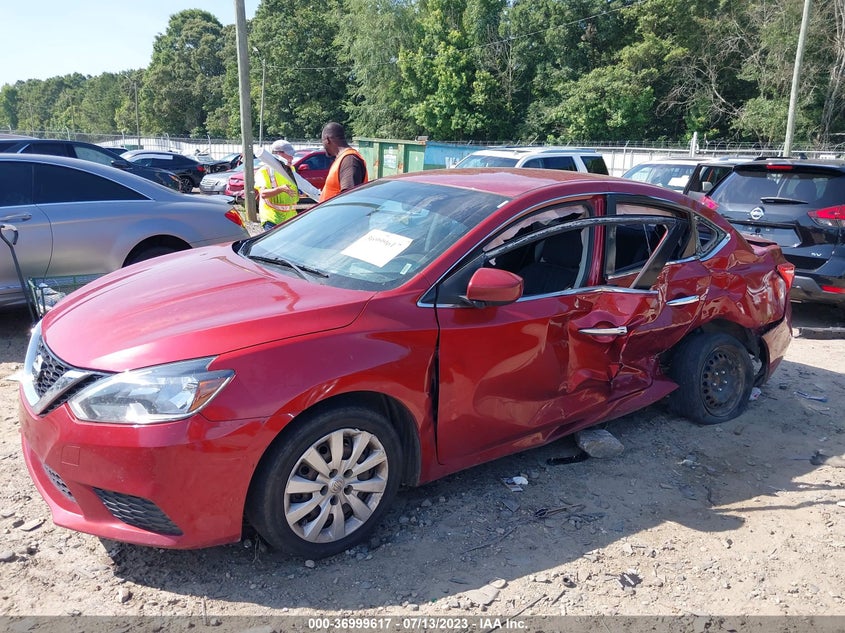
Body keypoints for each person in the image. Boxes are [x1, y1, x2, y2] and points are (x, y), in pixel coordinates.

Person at [254, 139, 300, 230]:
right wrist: (280, 189)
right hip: (272, 220)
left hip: (290, 218)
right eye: (289, 155)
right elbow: (263, 194)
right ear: (278, 154)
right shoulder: (264, 171)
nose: (292, 158)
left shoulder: (291, 169)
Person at [319, 122, 368, 202]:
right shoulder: (342, 158)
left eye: (322, 141)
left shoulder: (349, 160)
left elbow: (349, 199)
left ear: (327, 140)